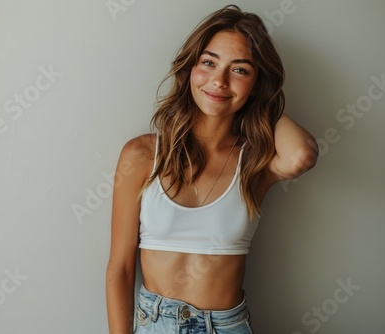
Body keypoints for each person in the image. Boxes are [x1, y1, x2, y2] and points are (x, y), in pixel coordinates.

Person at [106, 4, 318, 333]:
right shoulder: (143, 154)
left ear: (255, 82)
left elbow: (301, 155)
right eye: (209, 62)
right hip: (155, 324)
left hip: (226, 326)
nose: (218, 81)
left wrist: (263, 103)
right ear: (191, 67)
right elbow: (120, 267)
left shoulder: (254, 161)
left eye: (240, 70)